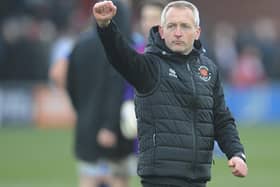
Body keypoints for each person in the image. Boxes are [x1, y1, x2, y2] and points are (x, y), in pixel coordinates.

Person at [92, 1, 248, 187]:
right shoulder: (150, 66)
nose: (178, 32)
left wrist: (236, 154)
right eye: (172, 26)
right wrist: (106, 27)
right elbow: (121, 56)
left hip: (198, 179)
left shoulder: (208, 69)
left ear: (197, 32)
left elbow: (221, 118)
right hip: (160, 179)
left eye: (185, 26)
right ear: (162, 31)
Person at [66, 1, 135, 187]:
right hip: (113, 132)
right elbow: (116, 87)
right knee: (117, 180)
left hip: (85, 128)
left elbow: (70, 85)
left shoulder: (79, 44)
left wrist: (83, 113)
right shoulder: (119, 47)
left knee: (87, 179)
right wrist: (110, 126)